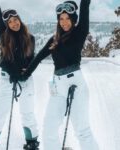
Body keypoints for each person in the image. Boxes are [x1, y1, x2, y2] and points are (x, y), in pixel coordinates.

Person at [21, 0, 99, 150]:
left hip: (76, 84)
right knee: (49, 129)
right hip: (58, 87)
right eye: (61, 19)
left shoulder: (79, 32)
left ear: (73, 19)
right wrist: (26, 73)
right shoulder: (54, 39)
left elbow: (85, 5)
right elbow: (39, 57)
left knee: (82, 130)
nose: (64, 22)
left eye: (67, 18)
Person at [0, 0, 39, 150]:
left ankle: (32, 141)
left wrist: (25, 74)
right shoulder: (4, 35)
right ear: (6, 25)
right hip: (7, 78)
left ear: (20, 19)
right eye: (10, 22)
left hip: (25, 79)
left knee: (28, 113)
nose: (14, 23)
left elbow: (31, 61)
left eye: (16, 20)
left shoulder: (30, 38)